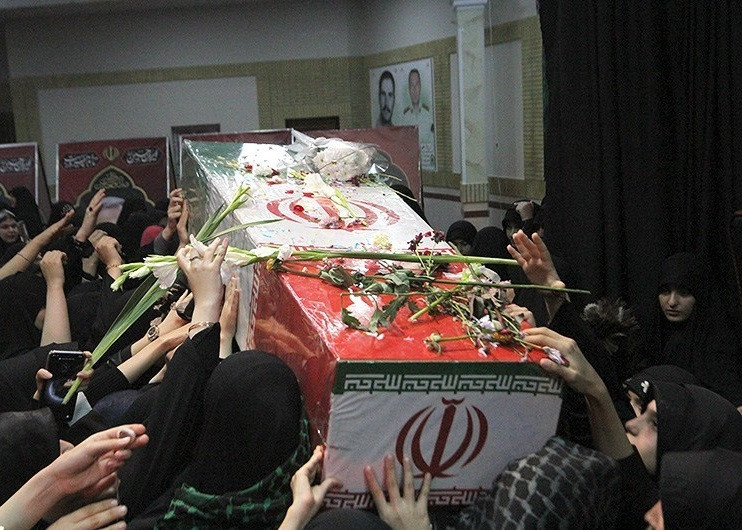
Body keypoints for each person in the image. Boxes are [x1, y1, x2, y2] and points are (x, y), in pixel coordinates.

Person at [641, 252, 742, 409]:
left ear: (699, 296)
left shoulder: (718, 345)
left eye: (684, 293)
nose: (672, 302)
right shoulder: (651, 338)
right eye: (665, 291)